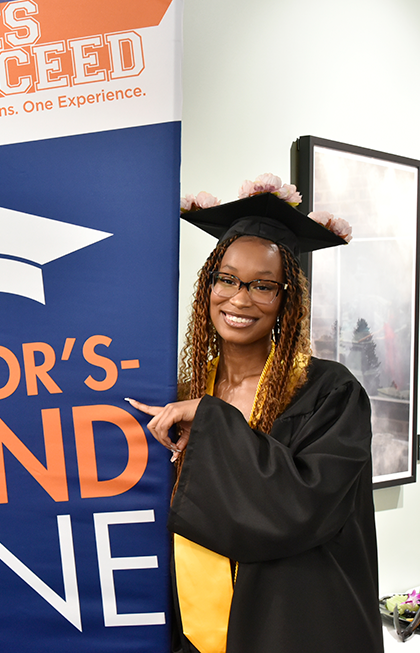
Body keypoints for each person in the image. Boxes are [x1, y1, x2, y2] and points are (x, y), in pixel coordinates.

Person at [128, 177, 381, 653]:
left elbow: (299, 509)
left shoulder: (329, 392)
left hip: (291, 631)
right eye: (226, 279)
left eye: (264, 286)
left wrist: (209, 419)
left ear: (287, 300)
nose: (240, 299)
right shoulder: (183, 390)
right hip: (190, 631)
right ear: (208, 287)